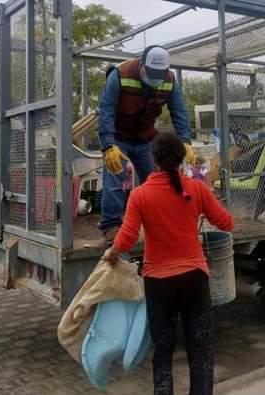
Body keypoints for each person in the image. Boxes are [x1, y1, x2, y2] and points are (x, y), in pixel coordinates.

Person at [104, 133, 234, 395]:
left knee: (163, 350)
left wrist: (112, 253)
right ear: (180, 159)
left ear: (154, 160)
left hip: (158, 283)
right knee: (201, 348)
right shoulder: (196, 189)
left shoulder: (140, 195)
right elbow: (226, 223)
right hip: (194, 279)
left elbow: (127, 237)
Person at [98, 45, 196, 246]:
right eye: (152, 73)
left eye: (160, 74)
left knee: (156, 180)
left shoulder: (169, 80)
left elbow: (179, 111)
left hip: (145, 138)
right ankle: (111, 227)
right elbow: (106, 110)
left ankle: (156, 221)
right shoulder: (119, 75)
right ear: (141, 65)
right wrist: (108, 146)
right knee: (114, 179)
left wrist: (185, 141)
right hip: (118, 137)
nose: (156, 78)